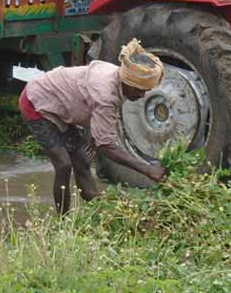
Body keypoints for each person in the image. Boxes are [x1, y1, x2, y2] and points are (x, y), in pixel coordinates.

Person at [19, 39, 167, 214]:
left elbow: (91, 106)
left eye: (145, 91)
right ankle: (63, 221)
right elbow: (107, 146)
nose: (142, 96)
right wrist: (147, 169)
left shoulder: (120, 79)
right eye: (140, 90)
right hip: (36, 102)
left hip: (62, 104)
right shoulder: (106, 93)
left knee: (82, 159)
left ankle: (99, 210)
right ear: (128, 82)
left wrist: (95, 136)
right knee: (64, 165)